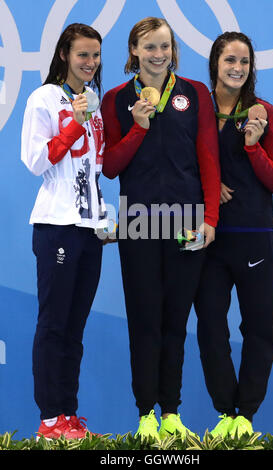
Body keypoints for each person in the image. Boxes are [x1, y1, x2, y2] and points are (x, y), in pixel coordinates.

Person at [101, 17, 220, 440]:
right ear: (134, 50)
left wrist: (210, 219)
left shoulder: (194, 93)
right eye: (149, 47)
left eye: (165, 47)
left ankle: (171, 411)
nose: (158, 55)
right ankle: (146, 413)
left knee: (175, 322)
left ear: (173, 49)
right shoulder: (115, 99)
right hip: (138, 221)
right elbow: (111, 168)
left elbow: (208, 156)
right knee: (144, 321)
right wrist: (138, 126)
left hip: (186, 222)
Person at [193, 31, 273, 439]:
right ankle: (225, 410)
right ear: (215, 62)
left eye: (244, 62)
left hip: (255, 236)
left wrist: (252, 146)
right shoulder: (194, 111)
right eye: (229, 59)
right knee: (210, 325)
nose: (237, 68)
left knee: (258, 328)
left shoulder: (265, 113)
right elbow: (173, 165)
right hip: (210, 239)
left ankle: (244, 415)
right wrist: (206, 188)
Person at [21, 23, 107, 440]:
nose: (90, 63)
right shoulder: (43, 98)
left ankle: (69, 415)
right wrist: (74, 123)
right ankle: (50, 417)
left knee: (74, 327)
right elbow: (36, 160)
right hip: (56, 225)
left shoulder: (94, 103)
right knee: (54, 323)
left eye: (95, 56)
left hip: (90, 230)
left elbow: (95, 168)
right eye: (82, 55)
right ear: (63, 56)